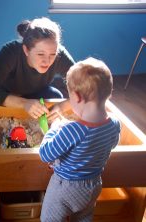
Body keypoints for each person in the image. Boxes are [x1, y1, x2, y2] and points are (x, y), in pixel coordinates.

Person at [39, 57, 121, 222]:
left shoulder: (72, 130)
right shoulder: (114, 123)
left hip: (66, 188)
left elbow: (45, 154)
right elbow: (112, 144)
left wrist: (54, 129)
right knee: (84, 217)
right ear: (109, 93)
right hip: (93, 185)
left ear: (76, 97)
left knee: (49, 219)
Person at [0, 17, 75, 119]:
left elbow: (87, 86)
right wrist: (24, 103)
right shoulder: (11, 51)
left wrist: (62, 106)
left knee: (56, 96)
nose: (47, 61)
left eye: (52, 54)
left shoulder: (59, 54)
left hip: (37, 92)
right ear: (26, 50)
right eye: (40, 54)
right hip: (9, 95)